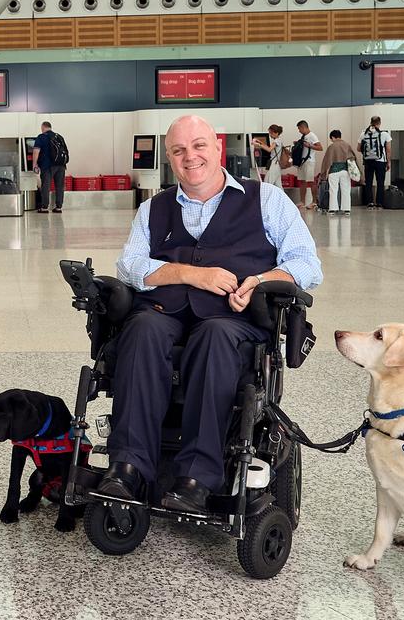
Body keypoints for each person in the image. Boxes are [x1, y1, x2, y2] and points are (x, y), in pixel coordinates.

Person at [99, 115, 322, 512]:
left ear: (217, 147)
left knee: (215, 336)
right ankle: (128, 467)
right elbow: (128, 266)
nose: (191, 157)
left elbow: (306, 263)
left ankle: (198, 476)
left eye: (199, 145)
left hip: (233, 318)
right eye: (179, 150)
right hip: (164, 308)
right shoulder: (153, 208)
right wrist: (189, 274)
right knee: (142, 328)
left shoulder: (266, 199)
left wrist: (259, 280)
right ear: (169, 157)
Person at [317, 130, 363, 215]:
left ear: (333, 137)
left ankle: (333, 209)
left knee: (333, 190)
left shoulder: (332, 147)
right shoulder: (347, 145)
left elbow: (326, 161)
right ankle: (346, 209)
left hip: (334, 171)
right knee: (346, 190)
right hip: (345, 170)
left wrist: (323, 174)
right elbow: (353, 157)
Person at [32, 121, 66, 213]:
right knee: (60, 186)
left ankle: (44, 207)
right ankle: (58, 207)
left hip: (47, 166)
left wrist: (34, 164)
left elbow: (36, 151)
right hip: (61, 165)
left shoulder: (41, 137)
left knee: (45, 186)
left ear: (43, 127)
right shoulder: (59, 137)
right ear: (50, 127)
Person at [358, 115, 391, 208]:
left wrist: (368, 153)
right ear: (379, 123)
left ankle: (370, 202)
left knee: (368, 182)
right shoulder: (384, 134)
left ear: (371, 122)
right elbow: (388, 150)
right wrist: (388, 162)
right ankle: (379, 203)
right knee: (380, 182)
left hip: (368, 161)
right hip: (380, 161)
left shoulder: (363, 134)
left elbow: (358, 148)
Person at [291, 120, 323, 209]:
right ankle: (302, 201)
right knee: (302, 181)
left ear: (303, 127)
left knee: (310, 181)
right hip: (302, 162)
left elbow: (320, 147)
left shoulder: (312, 135)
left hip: (309, 161)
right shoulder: (303, 136)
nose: (299, 131)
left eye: (299, 128)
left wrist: (310, 146)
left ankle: (314, 202)